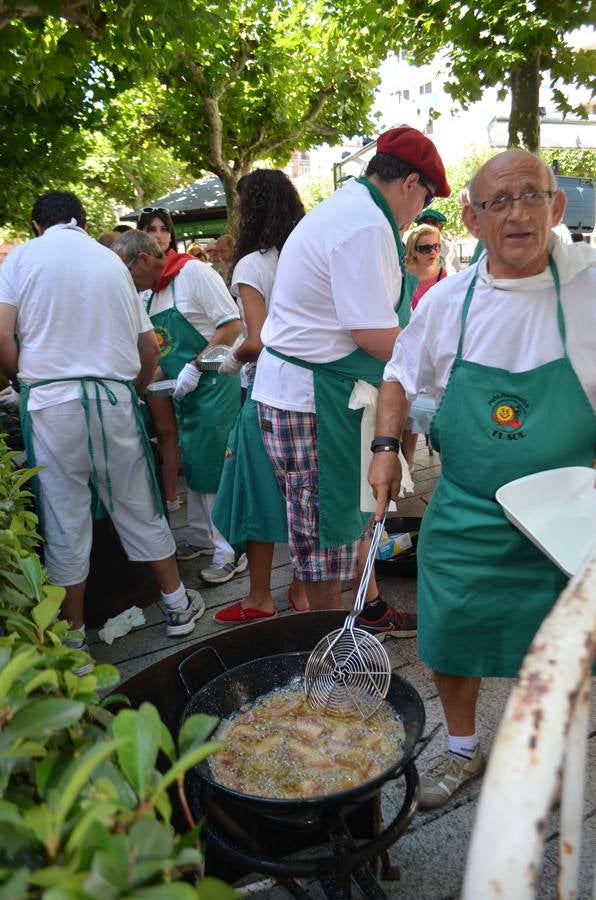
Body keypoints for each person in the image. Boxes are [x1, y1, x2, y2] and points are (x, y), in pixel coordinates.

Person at [369, 149, 596, 808]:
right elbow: (399, 377)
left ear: (555, 207)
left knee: (563, 644)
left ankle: (547, 747)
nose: (518, 213)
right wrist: (386, 446)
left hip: (569, 513)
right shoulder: (448, 301)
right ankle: (463, 750)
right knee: (449, 632)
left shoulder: (588, 292)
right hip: (468, 508)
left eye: (532, 196)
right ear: (472, 217)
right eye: (499, 201)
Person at [252, 125, 450, 629]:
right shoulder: (364, 224)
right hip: (311, 401)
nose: (416, 214)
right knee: (325, 534)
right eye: (423, 197)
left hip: (325, 395)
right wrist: (447, 367)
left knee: (352, 520)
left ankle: (362, 613)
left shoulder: (354, 210)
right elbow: (373, 334)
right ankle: (328, 648)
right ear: (409, 183)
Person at [0, 190, 205, 649]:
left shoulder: (20, 260)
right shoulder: (111, 261)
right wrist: (126, 395)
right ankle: (176, 606)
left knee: (63, 518)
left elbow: (0, 338)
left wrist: (27, 383)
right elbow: (148, 350)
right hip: (112, 396)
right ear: (82, 220)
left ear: (37, 225)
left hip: (49, 402)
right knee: (138, 503)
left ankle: (73, 643)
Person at [111, 230, 247, 584]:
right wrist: (143, 385)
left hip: (216, 382)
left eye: (126, 271)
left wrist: (196, 367)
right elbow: (161, 352)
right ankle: (202, 538)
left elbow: (232, 326)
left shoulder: (194, 274)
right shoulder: (148, 295)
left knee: (215, 466)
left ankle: (231, 551)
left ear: (142, 259)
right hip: (183, 390)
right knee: (196, 462)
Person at [211, 169, 309, 622]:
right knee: (304, 494)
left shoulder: (253, 263)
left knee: (255, 493)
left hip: (267, 391)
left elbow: (259, 337)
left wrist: (230, 360)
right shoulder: (304, 255)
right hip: (312, 392)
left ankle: (259, 598)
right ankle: (303, 592)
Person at [135, 207, 182, 513]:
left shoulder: (189, 271)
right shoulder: (135, 283)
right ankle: (169, 497)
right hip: (152, 372)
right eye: (151, 229)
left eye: (163, 229)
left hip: (192, 370)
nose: (159, 235)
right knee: (166, 433)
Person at [400, 223, 449, 469]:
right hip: (406, 340)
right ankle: (407, 461)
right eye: (426, 247)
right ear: (413, 249)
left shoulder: (443, 275)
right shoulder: (404, 274)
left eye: (437, 246)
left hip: (432, 343)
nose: (433, 252)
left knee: (430, 404)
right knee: (407, 403)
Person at [415, 207, 461, 273]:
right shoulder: (411, 247)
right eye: (424, 222)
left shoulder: (448, 248)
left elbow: (457, 273)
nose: (428, 226)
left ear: (440, 227)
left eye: (433, 222)